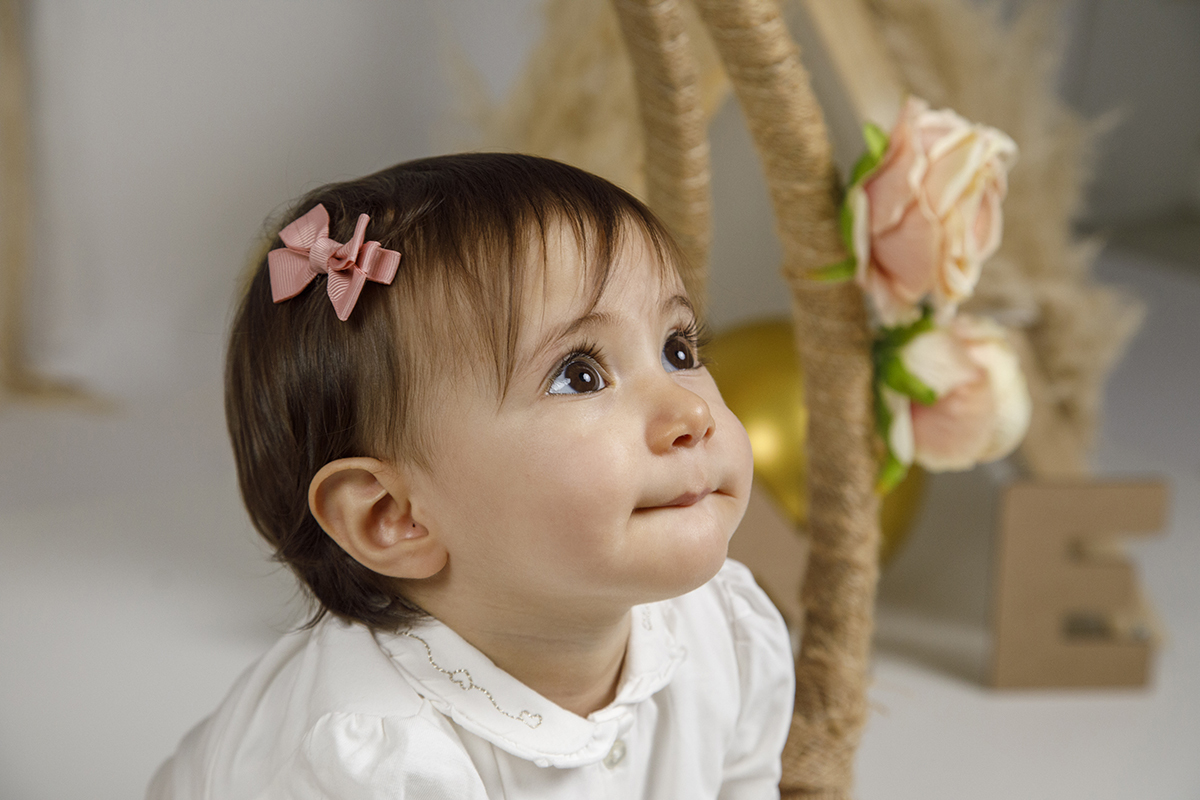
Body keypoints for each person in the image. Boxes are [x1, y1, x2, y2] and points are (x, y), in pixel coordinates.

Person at [148, 153, 794, 799]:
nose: (693, 412)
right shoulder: (378, 758)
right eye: (579, 375)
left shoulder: (722, 627)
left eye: (677, 349)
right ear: (394, 517)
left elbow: (743, 782)